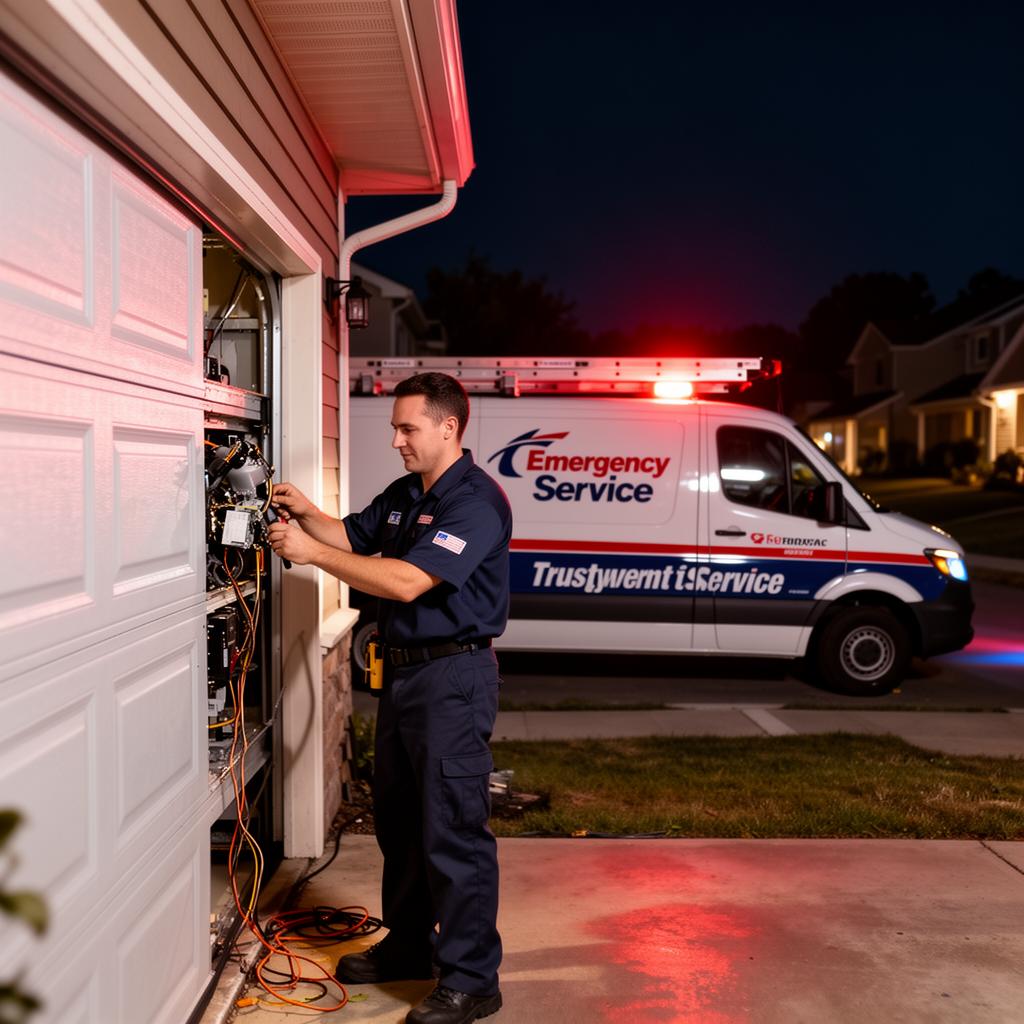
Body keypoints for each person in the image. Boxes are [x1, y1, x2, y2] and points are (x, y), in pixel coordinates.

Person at [267, 372, 510, 1024]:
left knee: (452, 831)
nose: (397, 439)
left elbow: (406, 580)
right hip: (404, 680)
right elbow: (353, 534)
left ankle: (471, 978)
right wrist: (305, 513)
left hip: (453, 681)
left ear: (448, 428)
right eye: (396, 427)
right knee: (402, 826)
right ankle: (409, 948)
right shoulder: (408, 494)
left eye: (408, 428)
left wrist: (309, 552)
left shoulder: (475, 503)